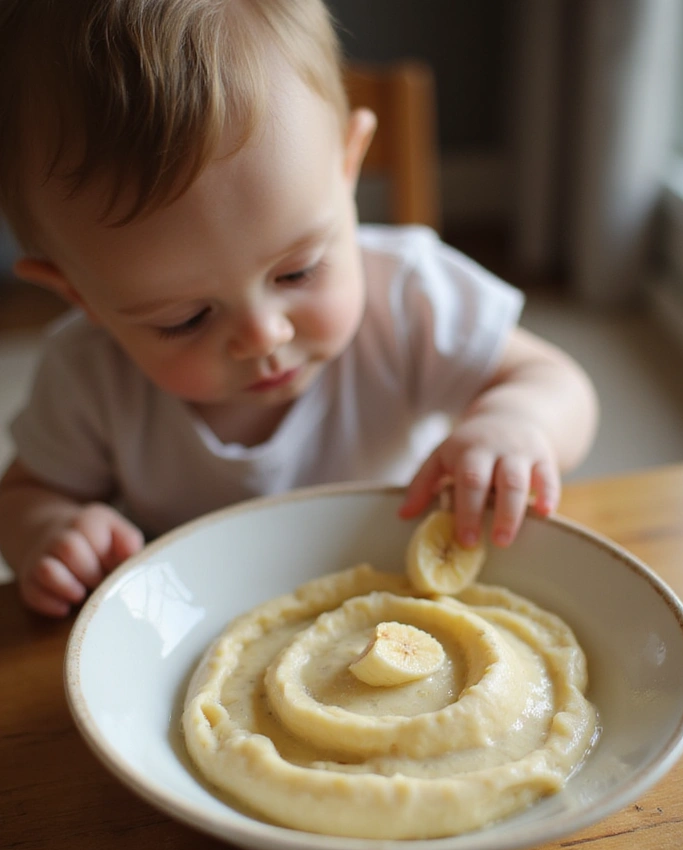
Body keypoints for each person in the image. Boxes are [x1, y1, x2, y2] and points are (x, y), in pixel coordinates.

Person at [0, 0, 598, 617]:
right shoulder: (89, 376)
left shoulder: (409, 295)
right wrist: (50, 531)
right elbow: (25, 493)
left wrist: (516, 423)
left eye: (298, 271)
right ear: (78, 294)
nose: (263, 335)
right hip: (208, 630)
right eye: (185, 319)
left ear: (348, 164)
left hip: (405, 607)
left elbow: (555, 381)